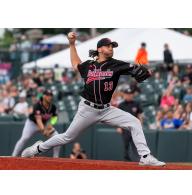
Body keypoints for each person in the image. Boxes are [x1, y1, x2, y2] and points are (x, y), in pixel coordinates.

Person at [22, 32, 165, 166]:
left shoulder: (116, 64)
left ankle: (145, 156)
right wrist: (72, 44)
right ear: (100, 49)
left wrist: (146, 72)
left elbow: (135, 70)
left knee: (134, 122)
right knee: (67, 137)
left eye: (112, 46)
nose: (111, 48)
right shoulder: (89, 66)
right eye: (108, 46)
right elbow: (75, 64)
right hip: (87, 109)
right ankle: (38, 148)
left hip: (106, 109)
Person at [12, 89, 61, 157]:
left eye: (50, 95)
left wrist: (50, 125)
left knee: (57, 137)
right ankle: (13, 156)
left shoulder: (53, 107)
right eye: (47, 95)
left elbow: (55, 118)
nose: (49, 97)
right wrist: (44, 131)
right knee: (24, 138)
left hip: (45, 124)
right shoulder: (37, 105)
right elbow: (38, 120)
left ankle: (56, 157)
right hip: (32, 124)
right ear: (43, 96)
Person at [116, 87, 142, 162]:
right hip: (125, 127)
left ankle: (138, 159)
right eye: (127, 94)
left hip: (135, 127)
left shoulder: (136, 103)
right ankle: (126, 160)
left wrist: (140, 125)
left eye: (130, 94)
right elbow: (118, 117)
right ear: (124, 95)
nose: (129, 96)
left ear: (132, 95)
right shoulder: (121, 104)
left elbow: (140, 115)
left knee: (136, 144)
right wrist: (119, 127)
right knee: (126, 144)